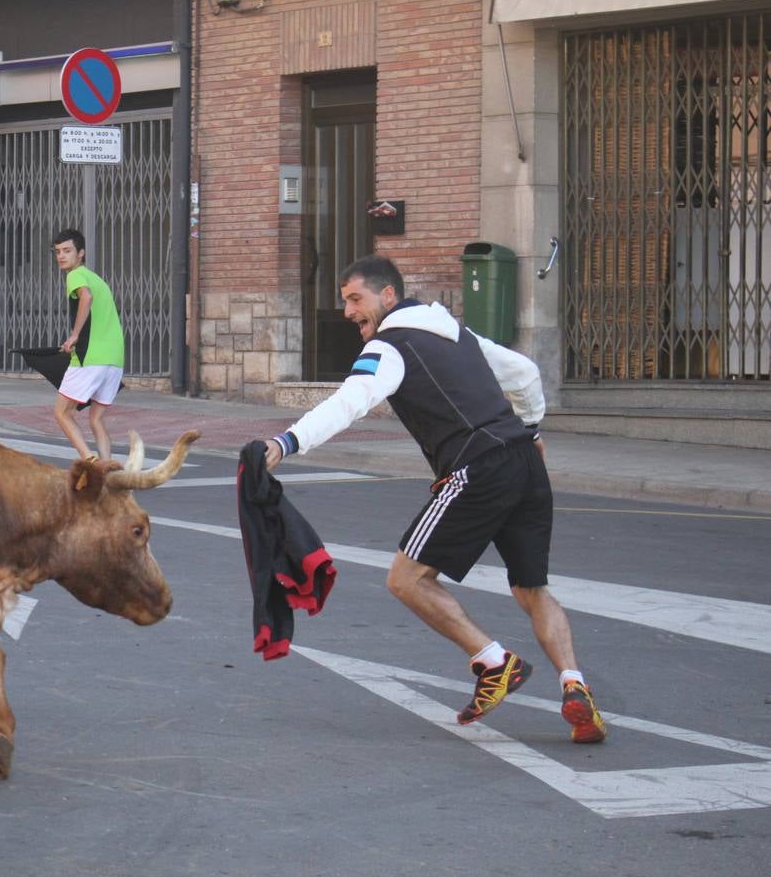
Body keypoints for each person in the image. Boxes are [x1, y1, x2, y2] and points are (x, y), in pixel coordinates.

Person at [260, 255, 607, 744]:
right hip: (524, 465)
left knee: (407, 580)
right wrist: (530, 429)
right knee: (532, 588)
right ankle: (576, 686)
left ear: (387, 297)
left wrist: (286, 442)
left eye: (355, 299)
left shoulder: (390, 346)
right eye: (344, 302)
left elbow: (349, 402)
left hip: (477, 467)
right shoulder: (455, 333)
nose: (347, 311)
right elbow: (525, 373)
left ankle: (495, 662)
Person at [51, 228, 124, 461]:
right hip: (114, 359)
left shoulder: (76, 275)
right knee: (96, 419)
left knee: (62, 413)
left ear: (80, 253)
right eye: (58, 252)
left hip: (91, 357)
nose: (61, 256)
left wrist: (74, 336)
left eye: (67, 251)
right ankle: (107, 469)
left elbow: (86, 297)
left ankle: (90, 463)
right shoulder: (97, 279)